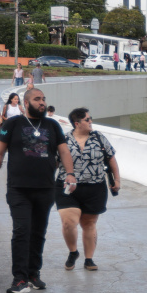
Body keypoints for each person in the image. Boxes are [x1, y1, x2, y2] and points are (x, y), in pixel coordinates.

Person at [0, 88, 76, 293]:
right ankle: (19, 278)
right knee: (21, 231)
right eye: (37, 99)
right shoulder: (12, 124)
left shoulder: (52, 125)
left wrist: (70, 173)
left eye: (44, 99)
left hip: (45, 188)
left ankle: (34, 273)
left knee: (38, 232)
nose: (42, 102)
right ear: (26, 103)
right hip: (18, 189)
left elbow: (63, 151)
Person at [56, 108, 119, 272]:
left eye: (91, 119)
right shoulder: (63, 140)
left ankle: (89, 259)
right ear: (77, 123)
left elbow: (111, 157)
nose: (91, 122)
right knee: (69, 222)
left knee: (89, 223)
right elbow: (55, 162)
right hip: (68, 187)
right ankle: (73, 252)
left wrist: (117, 179)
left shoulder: (99, 138)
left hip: (95, 187)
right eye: (87, 119)